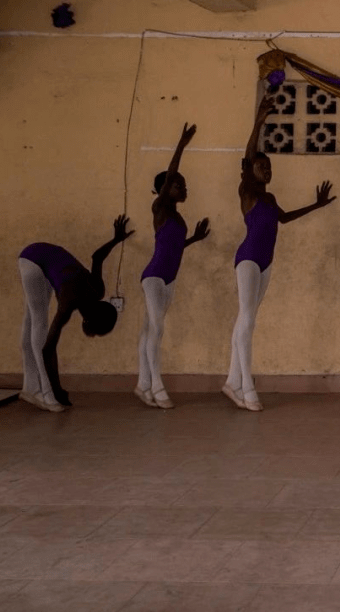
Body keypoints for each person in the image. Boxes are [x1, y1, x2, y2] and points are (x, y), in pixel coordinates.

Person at [223, 94, 337, 411]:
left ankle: (232, 382)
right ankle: (247, 387)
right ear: (250, 170)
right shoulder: (248, 191)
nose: (266, 170)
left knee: (246, 321)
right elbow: (247, 155)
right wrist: (260, 119)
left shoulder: (271, 198)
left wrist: (318, 204)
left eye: (269, 166)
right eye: (261, 166)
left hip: (266, 263)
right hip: (247, 259)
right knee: (247, 321)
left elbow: (283, 219)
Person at [18, 216, 133, 411]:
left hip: (50, 257)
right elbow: (48, 348)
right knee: (39, 323)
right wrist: (57, 389)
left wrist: (116, 239)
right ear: (88, 321)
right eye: (96, 332)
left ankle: (29, 387)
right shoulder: (68, 302)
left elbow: (97, 256)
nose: (92, 335)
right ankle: (47, 395)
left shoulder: (98, 290)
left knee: (31, 319)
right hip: (32, 259)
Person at [135, 122, 210, 409]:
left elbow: (174, 247)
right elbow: (169, 176)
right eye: (178, 184)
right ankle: (157, 386)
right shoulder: (160, 209)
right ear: (164, 189)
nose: (184, 187)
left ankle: (142, 385)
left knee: (148, 330)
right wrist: (181, 144)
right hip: (153, 277)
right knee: (157, 329)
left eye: (184, 184)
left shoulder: (177, 219)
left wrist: (195, 239)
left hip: (169, 278)